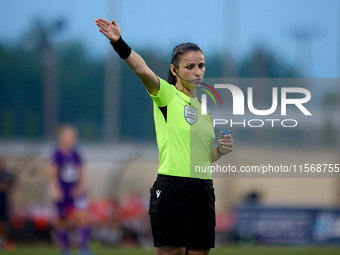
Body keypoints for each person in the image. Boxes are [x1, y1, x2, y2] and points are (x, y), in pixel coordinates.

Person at [95, 18, 234, 255]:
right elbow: (141, 69)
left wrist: (219, 151)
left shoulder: (204, 109)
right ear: (174, 70)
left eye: (201, 65)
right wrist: (119, 43)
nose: (197, 71)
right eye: (189, 66)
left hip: (203, 191)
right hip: (173, 188)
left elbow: (200, 158)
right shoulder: (166, 95)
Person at [48, 125, 91, 255]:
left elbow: (81, 171)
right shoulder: (57, 154)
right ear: (62, 138)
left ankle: (83, 248)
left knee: (82, 217)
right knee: (62, 220)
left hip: (75, 191)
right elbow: (52, 174)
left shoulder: (76, 154)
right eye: (69, 137)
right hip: (63, 191)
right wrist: (55, 189)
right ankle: (65, 249)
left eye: (73, 137)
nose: (72, 139)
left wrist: (80, 187)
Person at [0, 157, 14, 250]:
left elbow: (11, 185)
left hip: (4, 200)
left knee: (4, 222)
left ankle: (3, 241)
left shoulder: (7, 174)